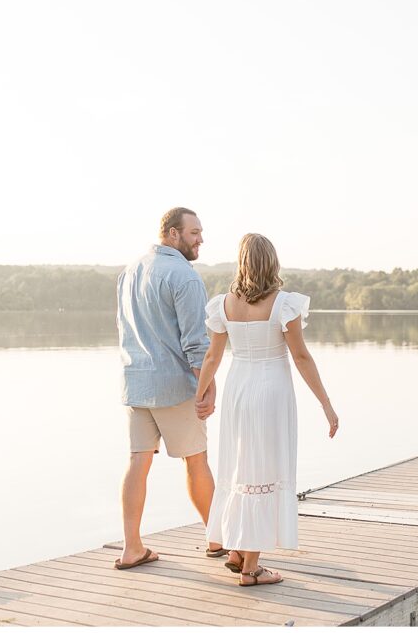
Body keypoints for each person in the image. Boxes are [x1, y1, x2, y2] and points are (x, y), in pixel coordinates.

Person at [196, 233, 339, 586]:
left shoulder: (224, 304)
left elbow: (213, 356)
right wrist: (326, 403)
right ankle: (251, 569)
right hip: (271, 391)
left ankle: (236, 549)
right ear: (271, 262)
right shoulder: (283, 303)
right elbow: (301, 356)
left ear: (241, 263)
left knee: (238, 468)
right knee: (264, 469)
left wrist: (201, 395)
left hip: (237, 389)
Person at [113, 206, 224, 569]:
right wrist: (207, 386)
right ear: (173, 234)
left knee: (137, 463)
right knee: (197, 461)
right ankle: (217, 540)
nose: (201, 240)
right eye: (194, 233)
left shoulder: (129, 272)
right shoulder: (185, 276)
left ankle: (132, 547)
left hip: (136, 383)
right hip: (175, 385)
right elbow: (196, 343)